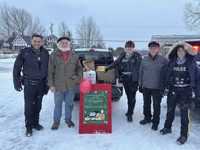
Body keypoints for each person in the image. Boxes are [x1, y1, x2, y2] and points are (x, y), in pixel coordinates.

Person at [159, 42, 198, 145]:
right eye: (178, 51)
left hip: (186, 91)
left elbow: (198, 79)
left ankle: (184, 135)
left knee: (185, 114)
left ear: (185, 52)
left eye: (182, 51)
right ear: (176, 52)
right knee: (170, 110)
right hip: (173, 90)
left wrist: (196, 93)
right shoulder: (171, 63)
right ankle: (167, 127)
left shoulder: (191, 63)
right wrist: (162, 89)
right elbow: (164, 76)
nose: (180, 52)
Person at [13, 34, 49, 137]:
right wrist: (16, 83)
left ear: (41, 42)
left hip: (41, 84)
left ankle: (35, 123)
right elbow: (16, 68)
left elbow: (48, 68)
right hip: (29, 85)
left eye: (39, 41)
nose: (37, 43)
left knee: (38, 106)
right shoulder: (25, 53)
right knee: (29, 107)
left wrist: (48, 83)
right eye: (35, 41)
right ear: (31, 41)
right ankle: (28, 127)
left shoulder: (45, 53)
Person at [47, 37, 82, 130]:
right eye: (63, 43)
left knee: (69, 103)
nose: (65, 45)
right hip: (58, 85)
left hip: (70, 85)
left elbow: (79, 68)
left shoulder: (73, 55)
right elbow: (49, 71)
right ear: (58, 44)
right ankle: (56, 121)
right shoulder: (53, 55)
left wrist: (78, 78)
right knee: (58, 104)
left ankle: (68, 119)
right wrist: (51, 85)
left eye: (66, 43)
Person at [105, 40, 142, 122]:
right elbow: (115, 63)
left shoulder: (137, 57)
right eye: (127, 47)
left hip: (133, 79)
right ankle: (129, 110)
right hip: (125, 79)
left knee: (132, 97)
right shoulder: (122, 56)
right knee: (128, 96)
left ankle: (130, 114)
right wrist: (108, 68)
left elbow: (142, 68)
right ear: (125, 48)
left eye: (131, 47)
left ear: (133, 48)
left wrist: (140, 81)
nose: (129, 48)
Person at [138, 41, 168, 130]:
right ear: (148, 49)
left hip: (157, 88)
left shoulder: (163, 60)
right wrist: (140, 85)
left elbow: (166, 74)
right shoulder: (144, 60)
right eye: (151, 48)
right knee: (146, 104)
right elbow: (140, 72)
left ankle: (155, 122)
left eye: (155, 48)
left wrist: (164, 87)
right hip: (146, 86)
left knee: (156, 105)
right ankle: (147, 118)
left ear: (158, 49)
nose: (153, 49)